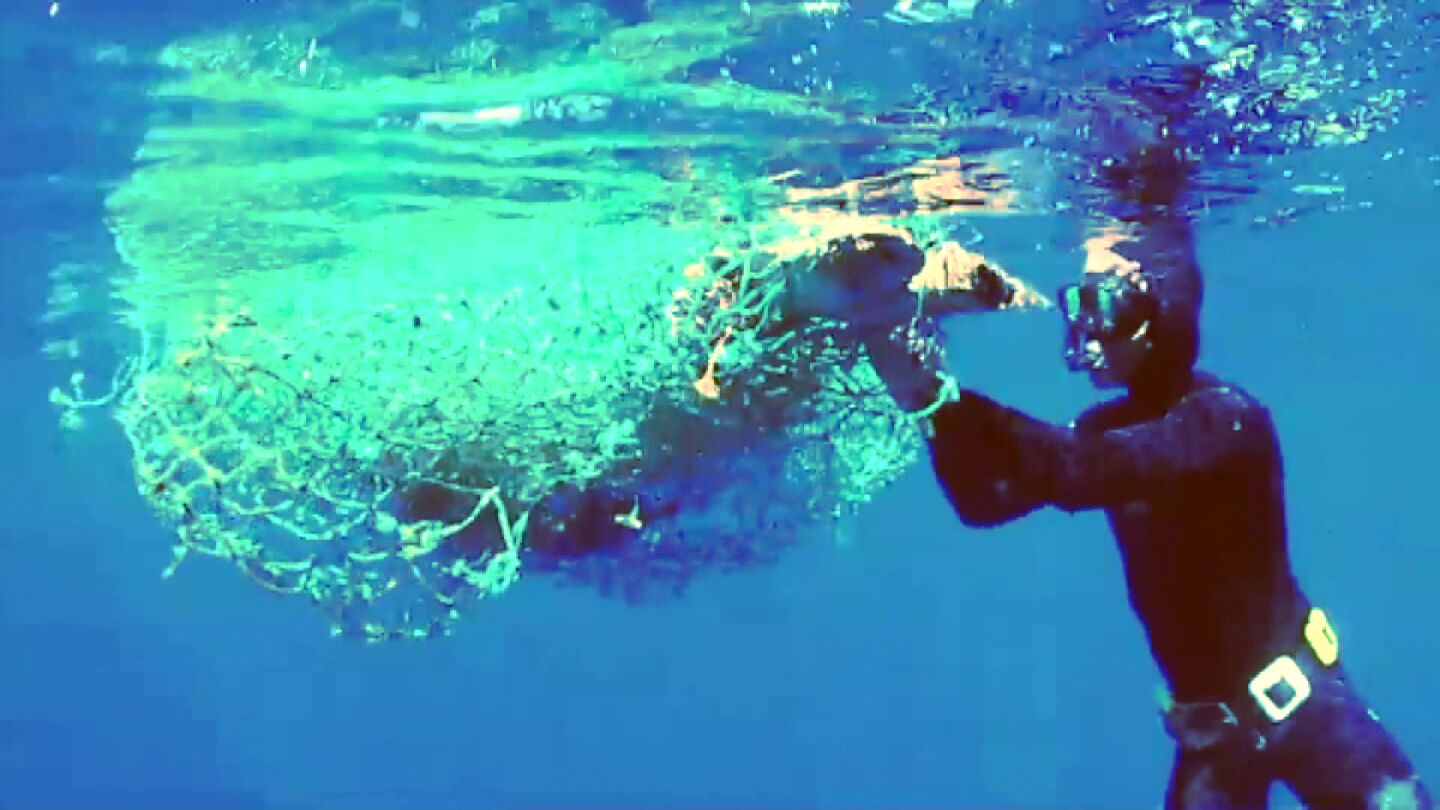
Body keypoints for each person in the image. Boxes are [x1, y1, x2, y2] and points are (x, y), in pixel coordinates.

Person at [791, 146, 1432, 808]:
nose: (1085, 329)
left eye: (1104, 306)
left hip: (1307, 713)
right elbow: (984, 501)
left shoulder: (1227, 421)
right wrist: (929, 399)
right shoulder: (1109, 428)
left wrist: (948, 398)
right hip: (1214, 737)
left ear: (1163, 309)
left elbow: (1084, 471)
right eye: (1079, 303)